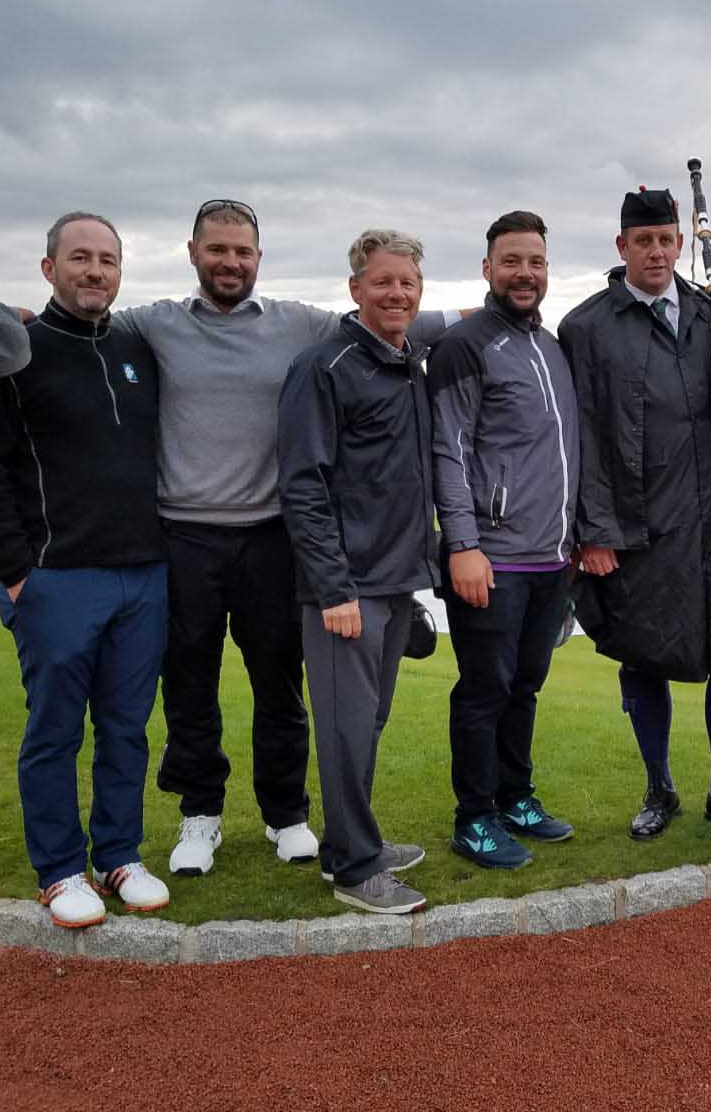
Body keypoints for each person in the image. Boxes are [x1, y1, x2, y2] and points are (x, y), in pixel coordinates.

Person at [0, 201, 463, 881]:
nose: (231, 262)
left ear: (259, 258)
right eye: (218, 250)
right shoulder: (152, 324)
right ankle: (200, 815)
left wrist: (489, 312)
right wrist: (7, 318)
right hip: (183, 537)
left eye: (244, 251)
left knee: (280, 685)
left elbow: (395, 315)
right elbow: (75, 317)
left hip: (271, 536)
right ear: (193, 253)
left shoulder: (300, 323)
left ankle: (286, 813)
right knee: (190, 684)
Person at [0, 212, 169, 928]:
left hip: (142, 573)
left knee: (127, 728)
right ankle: (58, 869)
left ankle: (118, 854)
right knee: (54, 731)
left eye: (107, 259)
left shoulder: (138, 347)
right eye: (80, 258)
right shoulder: (12, 352)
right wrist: (18, 574)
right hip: (56, 579)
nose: (95, 271)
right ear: (49, 268)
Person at [559, 188, 711, 842]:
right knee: (644, 654)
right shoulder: (586, 327)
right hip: (638, 523)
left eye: (666, 240)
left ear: (681, 243)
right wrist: (592, 530)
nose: (656, 251)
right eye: (643, 241)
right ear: (621, 246)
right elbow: (584, 434)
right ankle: (659, 788)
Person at [275, 229, 436, 914]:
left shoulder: (408, 362)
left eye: (407, 283)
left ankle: (349, 842)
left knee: (367, 724)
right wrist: (333, 587)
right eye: (383, 282)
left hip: (397, 582)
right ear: (356, 289)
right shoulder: (325, 366)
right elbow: (303, 485)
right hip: (346, 590)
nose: (396, 292)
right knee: (344, 728)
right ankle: (354, 869)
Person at [428, 211, 579, 868]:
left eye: (536, 262)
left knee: (525, 686)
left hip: (552, 558)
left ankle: (517, 796)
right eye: (512, 261)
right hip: (490, 557)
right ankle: (475, 817)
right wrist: (463, 543)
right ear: (487, 269)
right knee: (485, 689)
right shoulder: (467, 344)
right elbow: (449, 449)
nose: (525, 273)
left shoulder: (549, 346)